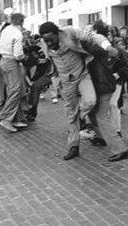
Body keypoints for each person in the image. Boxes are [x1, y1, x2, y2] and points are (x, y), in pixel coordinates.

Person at [38, 21, 120, 160]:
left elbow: (93, 36)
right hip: (66, 81)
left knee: (90, 101)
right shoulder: (45, 42)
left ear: (57, 33)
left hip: (82, 75)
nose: (49, 43)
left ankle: (81, 117)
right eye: (46, 41)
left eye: (51, 39)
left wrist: (108, 46)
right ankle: (73, 146)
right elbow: (50, 59)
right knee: (71, 114)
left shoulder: (69, 32)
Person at [85, 21, 128, 162]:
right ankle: (101, 137)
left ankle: (120, 148)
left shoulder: (100, 48)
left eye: (92, 31)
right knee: (93, 114)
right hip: (101, 86)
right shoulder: (104, 48)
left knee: (101, 116)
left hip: (103, 86)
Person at [0, 13, 28, 132]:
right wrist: (25, 57)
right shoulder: (18, 33)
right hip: (12, 62)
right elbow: (18, 55)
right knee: (16, 90)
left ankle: (17, 118)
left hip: (3, 61)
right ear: (21, 22)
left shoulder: (6, 30)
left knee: (12, 90)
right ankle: (6, 118)